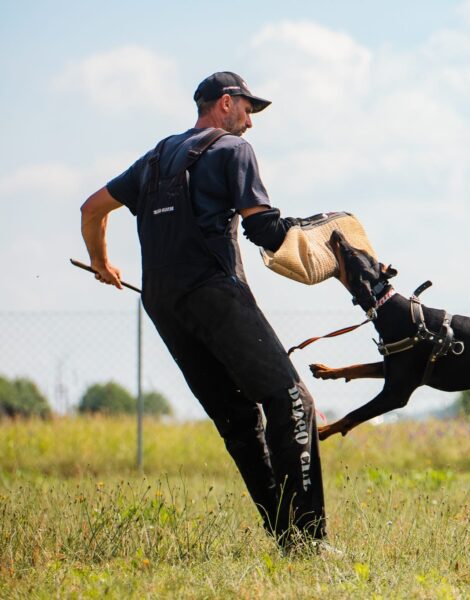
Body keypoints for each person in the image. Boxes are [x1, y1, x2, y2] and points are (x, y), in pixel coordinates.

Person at [80, 72, 326, 550]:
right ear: (227, 104)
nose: (251, 123)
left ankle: (286, 539)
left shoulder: (153, 160)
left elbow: (91, 208)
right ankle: (311, 539)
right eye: (248, 110)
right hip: (214, 293)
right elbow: (263, 232)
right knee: (292, 401)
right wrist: (321, 240)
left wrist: (99, 260)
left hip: (163, 303)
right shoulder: (233, 151)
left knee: (237, 419)